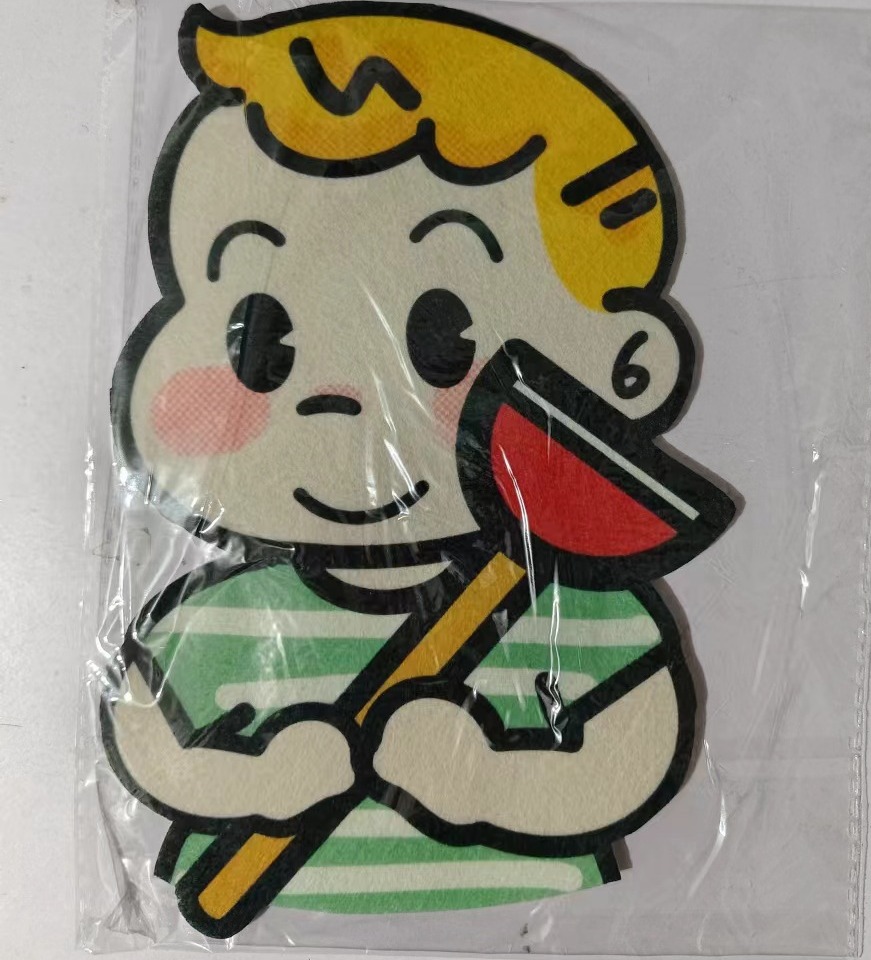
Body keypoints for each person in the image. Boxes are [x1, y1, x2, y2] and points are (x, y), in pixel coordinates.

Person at [102, 2, 710, 918]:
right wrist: (250, 781)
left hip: (548, 919)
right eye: (261, 341)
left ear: (628, 365)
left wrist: (494, 787)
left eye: (441, 339)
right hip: (260, 915)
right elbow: (144, 729)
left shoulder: (582, 610)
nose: (342, 400)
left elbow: (636, 746)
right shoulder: (225, 615)